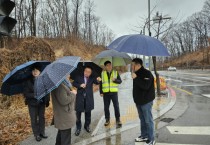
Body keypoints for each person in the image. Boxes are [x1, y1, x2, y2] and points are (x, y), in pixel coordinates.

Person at [131, 58, 155, 145]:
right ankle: (144, 135)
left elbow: (145, 86)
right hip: (138, 101)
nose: (132, 66)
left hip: (146, 101)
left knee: (148, 120)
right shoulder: (136, 73)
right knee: (142, 119)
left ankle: (151, 138)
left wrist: (136, 78)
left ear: (138, 65)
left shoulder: (147, 73)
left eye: (133, 65)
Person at [23, 65, 50, 142]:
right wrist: (35, 95)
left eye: (36, 70)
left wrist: (47, 100)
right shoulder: (28, 81)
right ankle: (37, 134)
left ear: (40, 72)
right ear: (31, 72)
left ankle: (42, 132)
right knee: (34, 119)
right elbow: (26, 94)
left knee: (42, 118)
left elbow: (47, 91)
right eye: (33, 71)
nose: (35, 72)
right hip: (32, 103)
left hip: (41, 103)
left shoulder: (43, 80)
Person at [73, 66, 101, 136]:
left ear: (91, 73)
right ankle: (78, 128)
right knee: (78, 114)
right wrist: (80, 85)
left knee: (88, 113)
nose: (87, 73)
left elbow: (97, 82)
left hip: (88, 98)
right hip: (80, 98)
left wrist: (98, 79)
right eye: (86, 71)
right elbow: (74, 83)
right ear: (84, 71)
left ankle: (87, 126)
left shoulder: (92, 78)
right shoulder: (78, 77)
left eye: (89, 72)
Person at [51, 75, 77, 145]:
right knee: (66, 138)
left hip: (63, 115)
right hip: (64, 116)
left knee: (61, 133)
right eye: (67, 74)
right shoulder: (60, 86)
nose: (69, 75)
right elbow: (64, 100)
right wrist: (73, 94)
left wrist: (71, 92)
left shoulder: (62, 83)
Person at [100, 61, 122, 128]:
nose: (109, 66)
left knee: (116, 106)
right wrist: (101, 92)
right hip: (106, 93)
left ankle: (118, 120)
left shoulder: (115, 72)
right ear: (105, 67)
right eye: (107, 65)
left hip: (114, 92)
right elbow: (101, 83)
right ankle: (107, 120)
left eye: (110, 65)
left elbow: (120, 81)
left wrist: (115, 80)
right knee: (106, 107)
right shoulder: (102, 73)